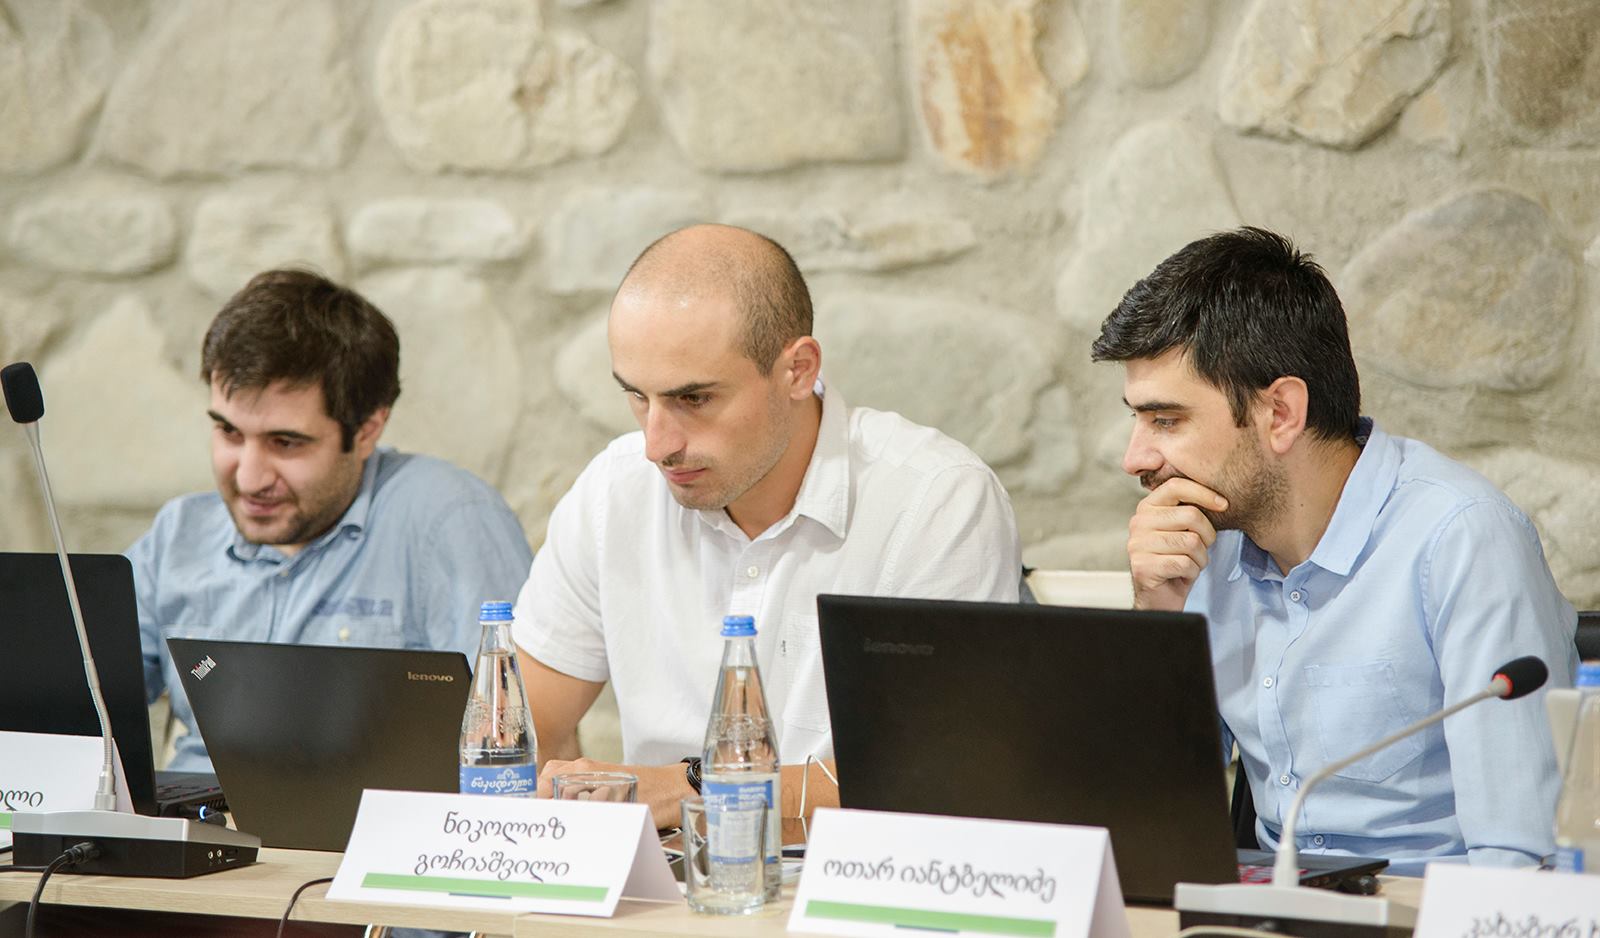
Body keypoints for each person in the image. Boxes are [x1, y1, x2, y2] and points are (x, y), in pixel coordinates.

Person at [1090, 227, 1577, 870]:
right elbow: (1151, 825)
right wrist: (1158, 617)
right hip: (1268, 899)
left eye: (1166, 420)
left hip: (1425, 906)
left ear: (1281, 412)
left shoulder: (1462, 538)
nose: (1134, 458)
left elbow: (1522, 854)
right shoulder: (1202, 540)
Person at [513, 224, 1021, 827]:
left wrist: (689, 787)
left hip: (851, 876)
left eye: (693, 399)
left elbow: (937, 772)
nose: (656, 444)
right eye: (638, 397)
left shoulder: (935, 499)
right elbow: (517, 735)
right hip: (661, 876)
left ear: (798, 370)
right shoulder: (613, 490)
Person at [130, 269, 533, 771]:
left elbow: (510, 749)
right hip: (195, 812)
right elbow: (80, 703)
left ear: (367, 430)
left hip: (366, 818)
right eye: (229, 433)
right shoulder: (178, 534)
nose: (250, 478)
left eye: (285, 443)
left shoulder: (450, 521)